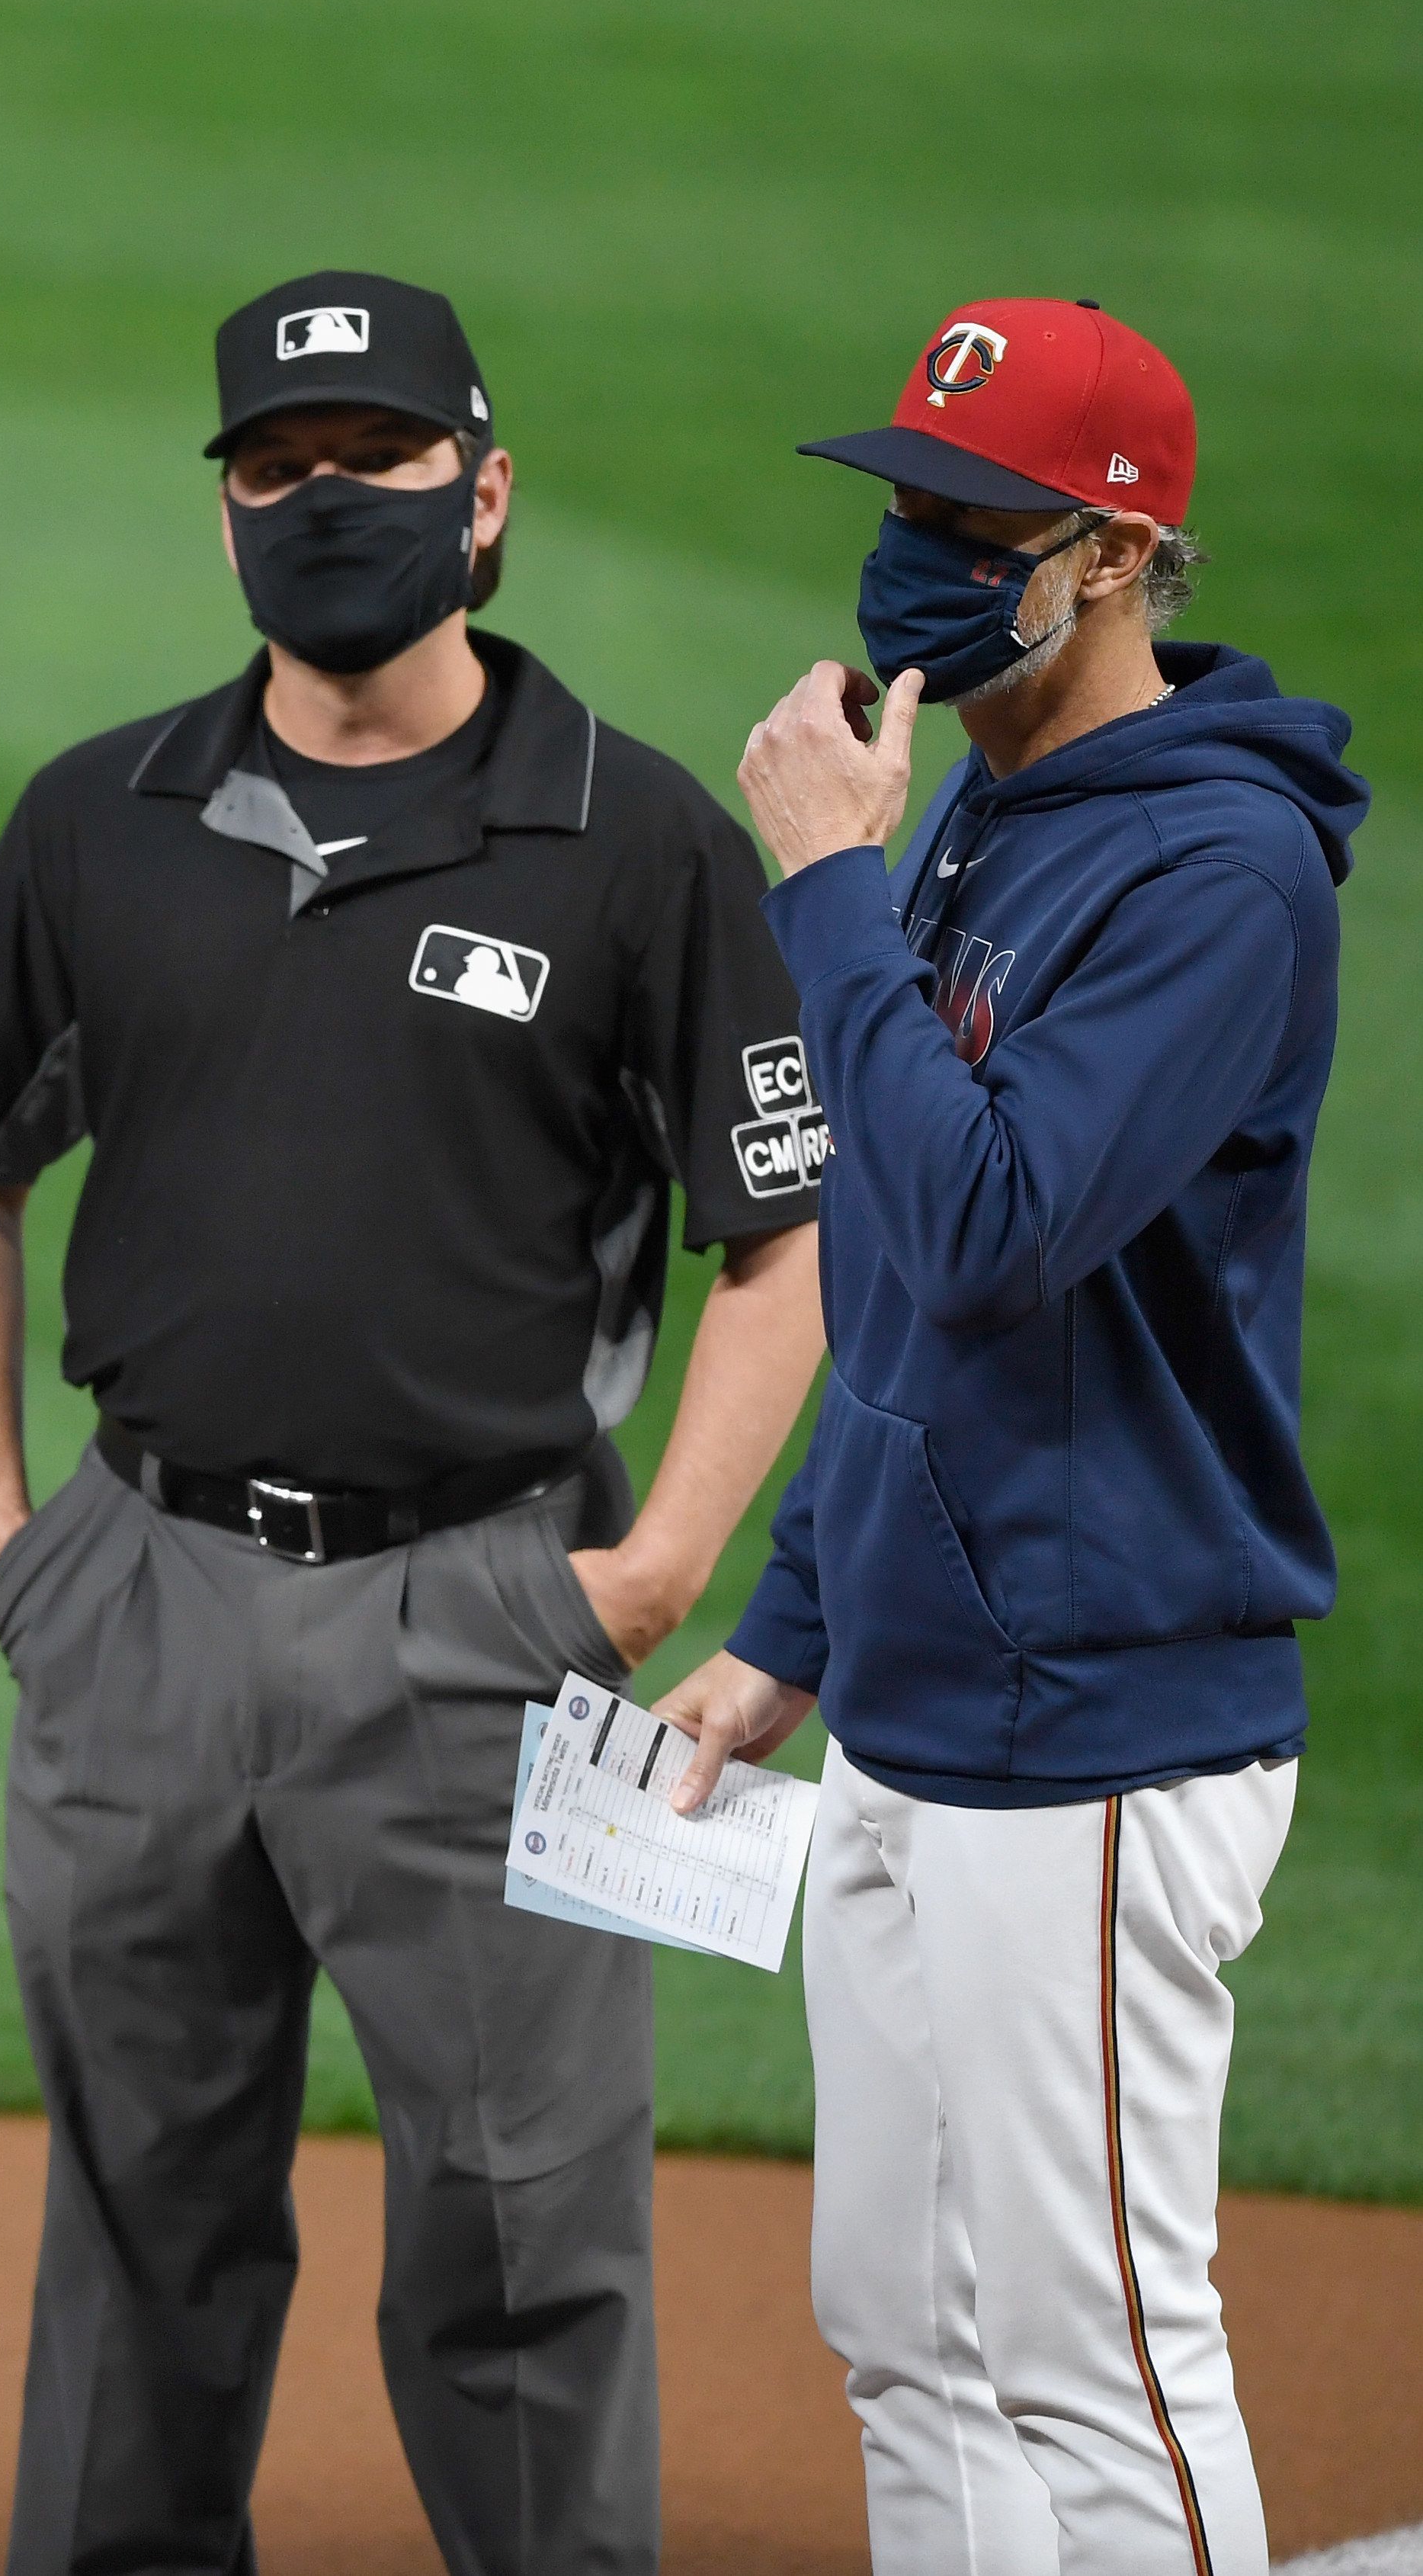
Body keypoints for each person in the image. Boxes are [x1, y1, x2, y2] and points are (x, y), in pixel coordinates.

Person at [0, 271, 832, 2576]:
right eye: (274, 468)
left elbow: (787, 1244)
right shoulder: (95, 818)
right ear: (224, 521)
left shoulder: (636, 839)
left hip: (489, 1608)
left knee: (523, 2233)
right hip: (140, 1597)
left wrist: (651, 1571)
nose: (324, 504)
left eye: (376, 461)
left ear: (482, 496)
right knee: (137, 2215)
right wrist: (9, 1536)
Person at [657, 298, 1362, 2576]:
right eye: (904, 505)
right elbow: (885, 1276)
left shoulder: (1216, 879)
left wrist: (829, 889)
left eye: (974, 521)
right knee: (908, 2330)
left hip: (1100, 1722)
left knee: (1099, 2354)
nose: (916, 558)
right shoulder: (993, 793)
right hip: (924, 1693)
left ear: (1118, 549)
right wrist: (791, 1626)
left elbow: (983, 1229)